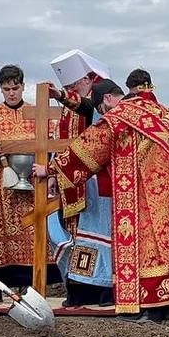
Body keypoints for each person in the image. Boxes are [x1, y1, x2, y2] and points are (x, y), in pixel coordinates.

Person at [33, 79, 169, 323]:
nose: (103, 114)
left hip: (149, 191)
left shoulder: (120, 116)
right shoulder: (166, 112)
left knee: (150, 245)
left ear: (107, 100)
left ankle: (153, 310)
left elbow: (88, 149)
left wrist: (50, 169)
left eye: (101, 109)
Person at [0, 65, 57, 303]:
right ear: (0, 88)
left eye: (15, 88)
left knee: (31, 233)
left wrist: (48, 170)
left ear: (23, 87)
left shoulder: (37, 113)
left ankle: (28, 285)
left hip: (33, 184)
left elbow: (52, 142)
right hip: (1, 185)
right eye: (7, 89)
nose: (11, 93)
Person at [45, 49, 115, 307]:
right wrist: (53, 171)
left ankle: (105, 289)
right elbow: (59, 144)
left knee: (96, 236)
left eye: (73, 86)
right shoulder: (66, 112)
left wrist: (61, 96)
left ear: (87, 79)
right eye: (67, 87)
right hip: (70, 180)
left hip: (97, 182)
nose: (71, 90)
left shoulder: (99, 105)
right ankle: (79, 290)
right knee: (73, 236)